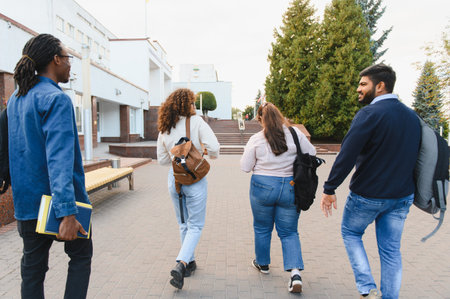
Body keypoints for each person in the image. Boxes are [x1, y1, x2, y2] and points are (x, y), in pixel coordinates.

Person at [320, 64, 420, 299]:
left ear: (381, 86)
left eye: (363, 84)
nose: (358, 89)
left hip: (368, 196)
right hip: (401, 197)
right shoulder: (411, 116)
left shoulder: (369, 114)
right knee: (391, 251)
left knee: (351, 233)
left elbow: (347, 154)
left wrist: (329, 187)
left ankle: (367, 289)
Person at [7, 34, 92, 299]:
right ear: (56, 60)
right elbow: (59, 160)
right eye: (68, 58)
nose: (70, 64)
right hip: (61, 203)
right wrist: (67, 213)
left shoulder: (16, 99)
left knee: (32, 273)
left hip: (27, 205)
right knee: (80, 259)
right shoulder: (56, 100)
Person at [240, 102, 316, 293]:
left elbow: (245, 167)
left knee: (262, 227)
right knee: (289, 232)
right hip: (290, 187)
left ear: (260, 119)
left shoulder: (257, 138)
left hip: (262, 186)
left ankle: (263, 264)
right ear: (280, 116)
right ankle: (295, 274)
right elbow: (312, 153)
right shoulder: (295, 133)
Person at [157, 88, 220, 289]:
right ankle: (182, 262)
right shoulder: (197, 122)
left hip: (174, 179)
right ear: (187, 104)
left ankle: (189, 263)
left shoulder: (165, 127)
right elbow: (215, 147)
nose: (194, 106)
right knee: (196, 225)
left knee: (183, 223)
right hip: (194, 179)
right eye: (192, 102)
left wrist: (176, 154)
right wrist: (202, 152)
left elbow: (161, 160)